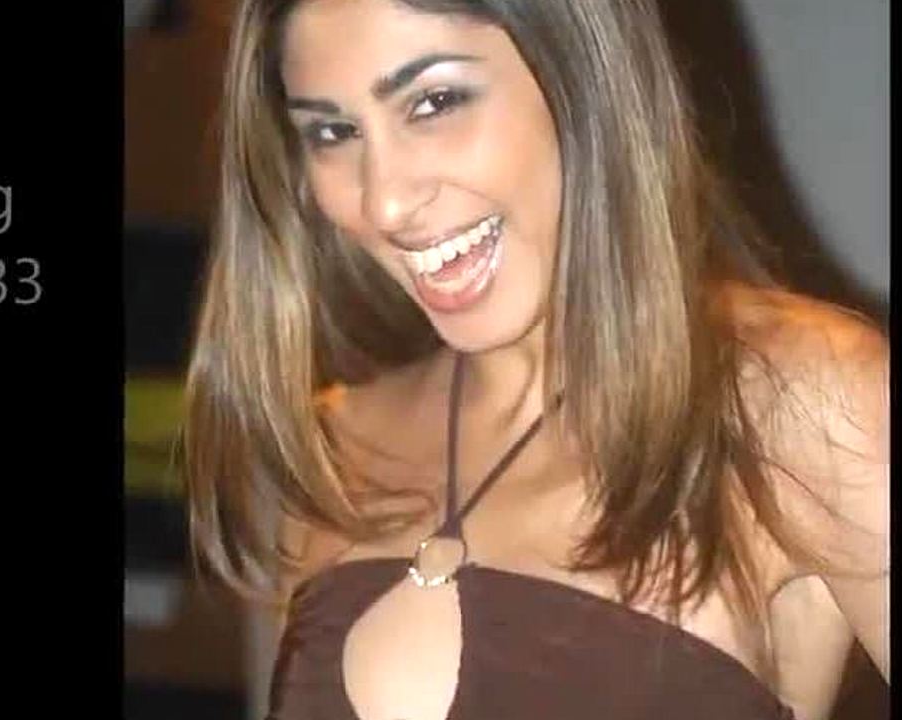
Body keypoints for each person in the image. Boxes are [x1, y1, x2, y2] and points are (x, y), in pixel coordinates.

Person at [180, 0, 889, 717]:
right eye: (333, 132)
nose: (385, 202)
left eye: (435, 102)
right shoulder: (335, 449)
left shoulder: (800, 404)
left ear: (581, 74)